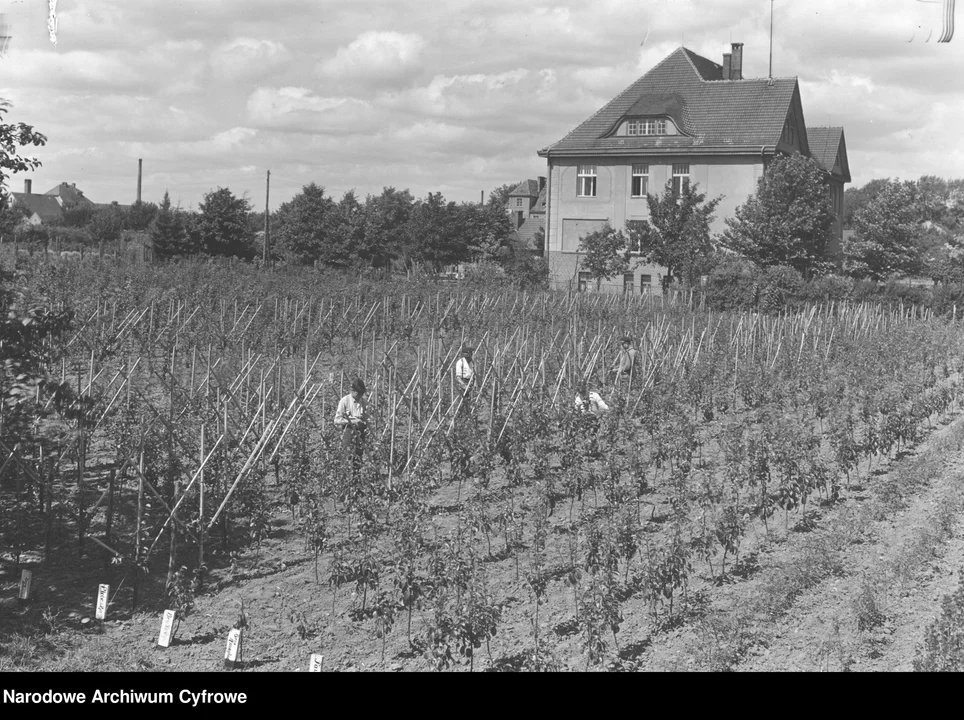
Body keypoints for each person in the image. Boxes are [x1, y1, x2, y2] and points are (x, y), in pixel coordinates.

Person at [334, 378, 367, 469]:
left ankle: (356, 479)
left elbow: (367, 417)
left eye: (361, 393)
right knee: (347, 456)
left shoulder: (364, 401)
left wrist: (363, 420)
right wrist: (352, 421)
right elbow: (337, 420)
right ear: (352, 391)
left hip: (360, 432)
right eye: (358, 393)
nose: (360, 395)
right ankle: (346, 477)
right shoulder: (344, 401)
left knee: (358, 457)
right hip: (348, 431)